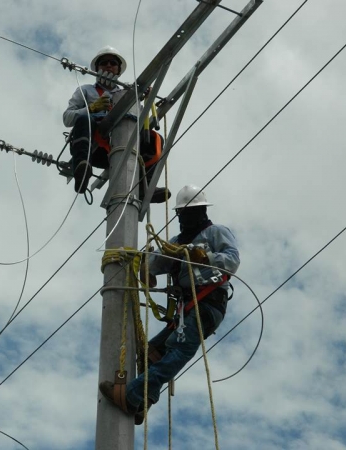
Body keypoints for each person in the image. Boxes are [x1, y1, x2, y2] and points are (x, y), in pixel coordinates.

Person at [99, 184, 240, 424]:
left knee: (179, 351)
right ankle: (144, 399)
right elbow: (153, 266)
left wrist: (205, 256)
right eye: (188, 212)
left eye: (197, 211)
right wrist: (142, 263)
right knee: (151, 353)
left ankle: (131, 395)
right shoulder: (175, 243)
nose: (193, 217)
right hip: (187, 311)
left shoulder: (215, 233)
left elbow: (232, 260)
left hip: (207, 304)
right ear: (180, 215)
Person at [63, 46, 170, 202]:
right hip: (94, 148)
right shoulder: (85, 91)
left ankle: (143, 187)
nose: (108, 66)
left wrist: (144, 98)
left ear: (118, 70)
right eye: (104, 63)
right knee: (85, 119)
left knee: (155, 139)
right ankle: (82, 168)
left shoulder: (128, 94)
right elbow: (67, 118)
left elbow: (139, 120)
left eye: (113, 63)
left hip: (120, 145)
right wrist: (91, 108)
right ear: (97, 68)